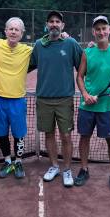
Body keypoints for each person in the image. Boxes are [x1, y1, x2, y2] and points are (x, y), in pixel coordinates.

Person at [30, 10, 83, 188]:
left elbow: (83, 65)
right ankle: (54, 166)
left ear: (62, 25)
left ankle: (67, 169)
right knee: (49, 134)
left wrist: (91, 48)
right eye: (51, 21)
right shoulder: (39, 45)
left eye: (57, 21)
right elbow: (28, 65)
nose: (54, 24)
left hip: (64, 99)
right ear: (46, 25)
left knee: (66, 136)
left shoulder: (71, 43)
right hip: (44, 99)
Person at [75, 15, 110, 193]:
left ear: (109, 30)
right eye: (98, 29)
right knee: (84, 137)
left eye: (104, 28)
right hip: (87, 105)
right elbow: (80, 76)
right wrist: (86, 94)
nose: (101, 31)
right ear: (93, 32)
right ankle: (84, 169)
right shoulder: (87, 53)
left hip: (108, 106)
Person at [0, 17, 32, 179]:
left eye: (16, 29)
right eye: (10, 29)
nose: (13, 32)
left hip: (18, 101)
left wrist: (65, 37)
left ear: (22, 33)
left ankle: (18, 161)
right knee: (2, 133)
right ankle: (7, 160)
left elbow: (49, 45)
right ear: (5, 31)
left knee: (19, 134)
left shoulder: (28, 50)